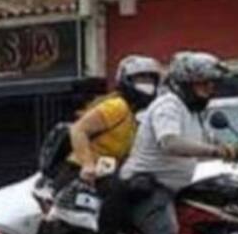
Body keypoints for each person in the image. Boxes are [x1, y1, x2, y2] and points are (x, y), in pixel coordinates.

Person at [117, 51, 238, 234]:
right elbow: (170, 142)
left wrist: (235, 151)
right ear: (185, 83)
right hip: (146, 185)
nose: (210, 89)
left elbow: (207, 143)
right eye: (203, 83)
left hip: (173, 187)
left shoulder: (194, 113)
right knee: (166, 232)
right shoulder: (167, 106)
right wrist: (214, 150)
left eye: (211, 84)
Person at [59, 55, 162, 190]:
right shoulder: (117, 106)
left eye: (150, 79)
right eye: (140, 79)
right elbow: (78, 129)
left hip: (106, 175)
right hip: (82, 176)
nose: (146, 84)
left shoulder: (136, 115)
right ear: (126, 81)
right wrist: (88, 165)